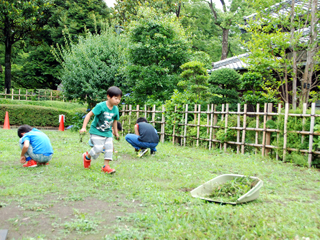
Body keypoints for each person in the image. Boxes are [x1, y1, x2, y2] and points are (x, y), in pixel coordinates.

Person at [80, 86, 122, 174]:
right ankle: (87, 156)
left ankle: (106, 166)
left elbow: (115, 121)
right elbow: (88, 115)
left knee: (109, 149)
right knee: (98, 149)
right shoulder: (100, 106)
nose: (118, 101)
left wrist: (116, 132)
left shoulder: (116, 109)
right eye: (115, 98)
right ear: (108, 97)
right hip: (96, 131)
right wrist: (84, 127)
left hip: (108, 133)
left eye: (119, 99)